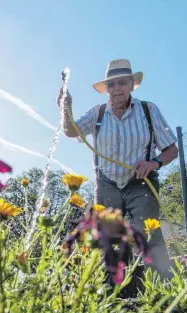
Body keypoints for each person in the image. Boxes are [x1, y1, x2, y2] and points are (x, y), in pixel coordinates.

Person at [58, 59, 178, 278]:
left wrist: (153, 163)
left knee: (148, 233)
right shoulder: (98, 113)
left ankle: (162, 285)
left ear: (131, 84)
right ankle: (115, 290)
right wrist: (66, 108)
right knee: (108, 238)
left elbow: (171, 149)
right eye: (111, 84)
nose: (116, 89)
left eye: (121, 83)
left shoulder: (148, 111)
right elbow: (71, 131)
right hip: (107, 183)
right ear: (106, 89)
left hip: (141, 182)